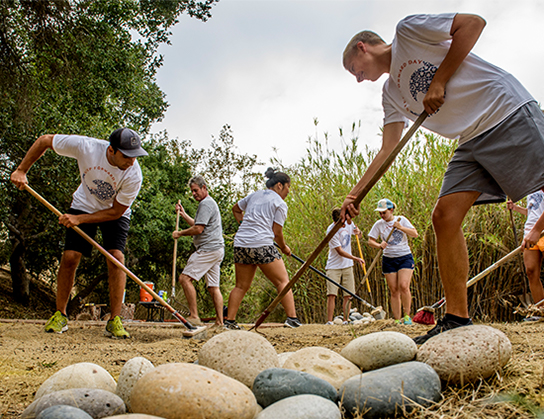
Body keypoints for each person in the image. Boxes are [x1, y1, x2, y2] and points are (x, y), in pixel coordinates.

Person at [341, 13, 544, 344]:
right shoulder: (391, 94)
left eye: (354, 69)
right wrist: (355, 195)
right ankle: (457, 318)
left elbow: (473, 23)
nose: (358, 79)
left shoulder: (407, 33)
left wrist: (439, 81)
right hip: (471, 138)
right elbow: (388, 148)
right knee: (444, 216)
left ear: (362, 47)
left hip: (504, 110)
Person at [10, 128, 148, 338]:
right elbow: (45, 140)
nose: (132, 161)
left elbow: (116, 211)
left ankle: (115, 320)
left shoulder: (134, 174)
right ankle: (60, 315)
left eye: (135, 156)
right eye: (127, 156)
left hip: (114, 211)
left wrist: (79, 220)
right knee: (70, 257)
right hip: (84, 204)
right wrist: (21, 170)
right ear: (111, 150)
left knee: (116, 258)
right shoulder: (87, 147)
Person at [225, 168, 301, 329]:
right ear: (279, 185)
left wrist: (244, 225)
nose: (288, 191)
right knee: (282, 281)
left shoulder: (254, 195)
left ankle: (229, 321)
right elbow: (277, 233)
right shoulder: (280, 203)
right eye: (288, 187)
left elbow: (236, 209)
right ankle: (292, 319)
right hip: (261, 244)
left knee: (240, 286)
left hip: (241, 244)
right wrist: (285, 248)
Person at [172, 176, 224, 326]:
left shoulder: (206, 204)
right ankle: (220, 323)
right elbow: (198, 223)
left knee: (184, 279)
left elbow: (198, 229)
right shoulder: (208, 203)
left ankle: (194, 316)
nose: (194, 194)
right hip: (216, 250)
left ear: (204, 188)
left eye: (196, 190)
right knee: (214, 287)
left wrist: (180, 233)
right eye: (192, 191)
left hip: (208, 249)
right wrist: (183, 214)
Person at [368, 199, 418, 324]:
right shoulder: (379, 224)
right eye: (380, 213)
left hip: (404, 256)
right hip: (388, 259)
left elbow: (414, 234)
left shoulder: (401, 220)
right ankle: (397, 319)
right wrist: (379, 245)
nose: (382, 215)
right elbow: (370, 241)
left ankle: (407, 316)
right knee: (394, 289)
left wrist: (401, 228)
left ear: (391, 210)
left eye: (384, 212)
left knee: (404, 286)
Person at [325, 208, 365, 325]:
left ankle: (346, 320)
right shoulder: (331, 231)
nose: (343, 226)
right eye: (340, 224)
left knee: (348, 294)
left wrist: (359, 232)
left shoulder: (348, 223)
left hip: (347, 265)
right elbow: (340, 251)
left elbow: (359, 235)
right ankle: (330, 321)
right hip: (334, 266)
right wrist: (356, 258)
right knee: (332, 294)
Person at [507, 191, 544, 306]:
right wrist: (516, 208)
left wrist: (537, 231)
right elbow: (535, 212)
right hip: (530, 234)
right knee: (531, 271)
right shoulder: (532, 187)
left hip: (540, 231)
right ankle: (541, 310)